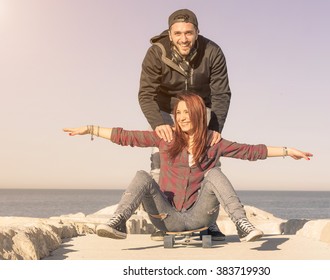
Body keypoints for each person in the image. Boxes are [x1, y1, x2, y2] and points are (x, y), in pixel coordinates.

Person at [63, 93, 313, 243]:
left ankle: (242, 224)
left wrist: (287, 150)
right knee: (142, 175)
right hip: (166, 218)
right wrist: (90, 129)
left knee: (214, 173)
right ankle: (118, 222)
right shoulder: (167, 137)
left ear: (197, 114)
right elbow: (127, 136)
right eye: (177, 113)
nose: (180, 117)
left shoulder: (214, 142)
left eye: (186, 112)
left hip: (199, 218)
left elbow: (251, 151)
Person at [138, 9, 232, 240]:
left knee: (210, 163)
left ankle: (207, 223)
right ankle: (162, 221)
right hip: (166, 110)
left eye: (189, 33)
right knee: (160, 162)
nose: (183, 38)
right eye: (178, 33)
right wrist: (158, 123)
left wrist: (214, 129)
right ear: (170, 34)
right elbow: (145, 94)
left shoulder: (213, 52)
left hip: (201, 109)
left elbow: (222, 93)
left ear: (197, 32)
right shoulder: (156, 53)